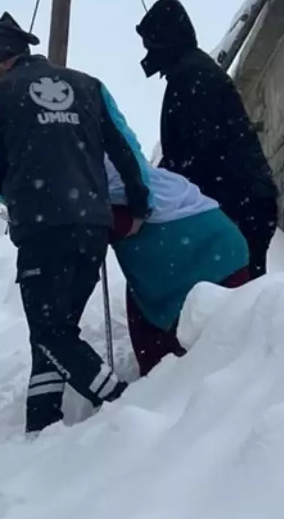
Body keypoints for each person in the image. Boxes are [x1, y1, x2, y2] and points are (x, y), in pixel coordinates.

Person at [0, 12, 151, 434]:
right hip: (92, 227)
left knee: (51, 332)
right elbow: (127, 148)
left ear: (0, 61)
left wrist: (24, 199)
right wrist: (139, 204)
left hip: (41, 230)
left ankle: (118, 402)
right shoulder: (90, 87)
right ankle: (42, 424)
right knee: (57, 330)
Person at [136, 0, 280, 277]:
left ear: (165, 42)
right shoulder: (193, 71)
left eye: (151, 44)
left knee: (232, 301)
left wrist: (156, 191)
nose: (149, 55)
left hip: (237, 206)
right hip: (246, 204)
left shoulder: (191, 77)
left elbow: (192, 154)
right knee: (237, 297)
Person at [103, 148, 250, 376]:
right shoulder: (136, 174)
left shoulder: (110, 189)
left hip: (210, 259)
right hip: (222, 246)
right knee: (227, 352)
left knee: (218, 356)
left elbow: (128, 221)